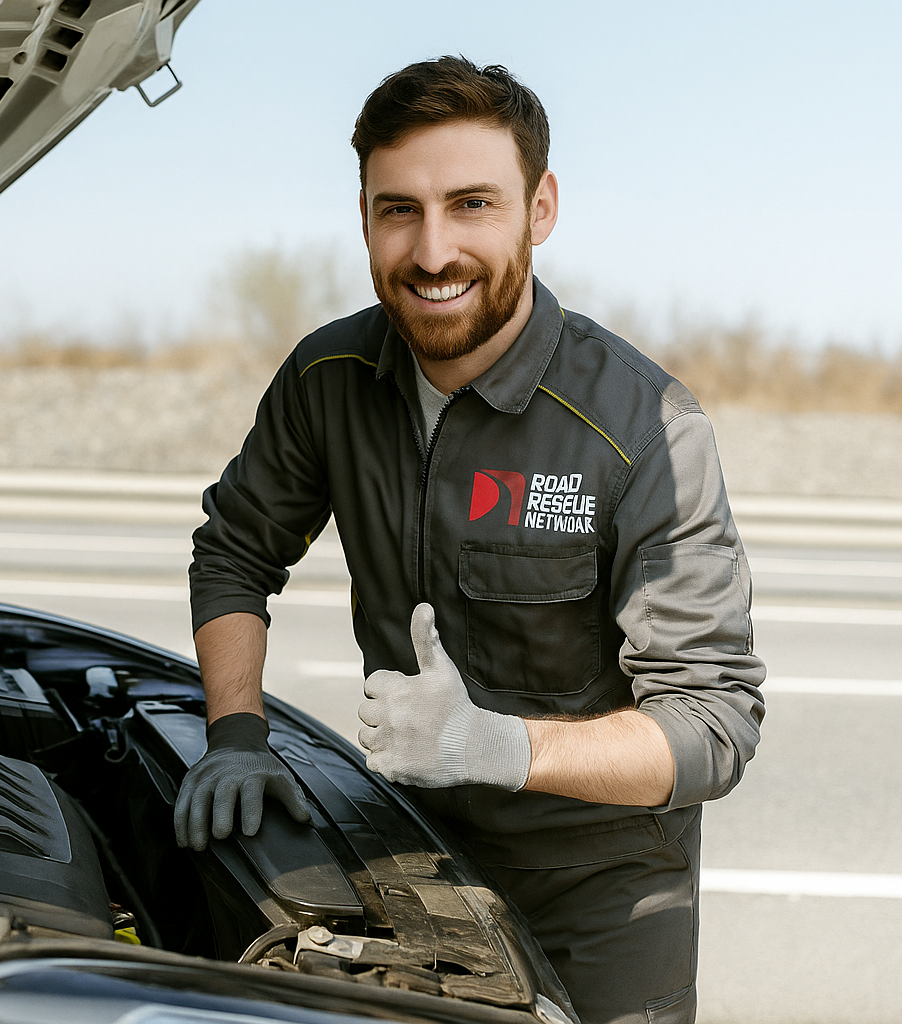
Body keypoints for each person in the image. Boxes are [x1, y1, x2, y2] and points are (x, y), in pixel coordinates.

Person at [175, 56, 765, 1024]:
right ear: (363, 215)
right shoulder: (327, 379)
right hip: (404, 846)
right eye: (399, 209)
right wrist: (236, 735)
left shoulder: (646, 425)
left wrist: (498, 745)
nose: (433, 249)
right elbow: (236, 551)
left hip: (604, 888)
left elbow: (714, 724)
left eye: (473, 204)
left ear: (540, 209)